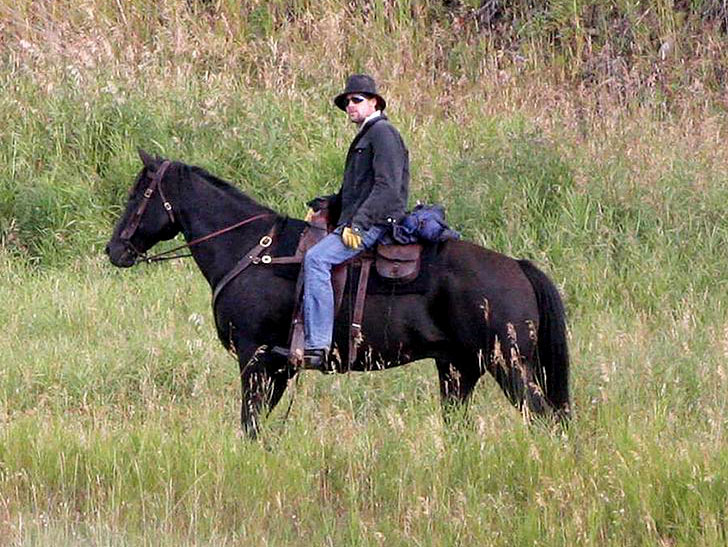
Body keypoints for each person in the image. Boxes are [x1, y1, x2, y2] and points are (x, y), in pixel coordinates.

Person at [302, 74, 410, 367]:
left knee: (316, 260)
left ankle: (318, 345)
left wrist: (358, 224)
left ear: (374, 102)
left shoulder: (383, 134)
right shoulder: (367, 135)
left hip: (374, 223)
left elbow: (387, 187)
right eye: (347, 101)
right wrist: (327, 205)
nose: (350, 105)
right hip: (361, 219)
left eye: (357, 100)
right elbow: (358, 189)